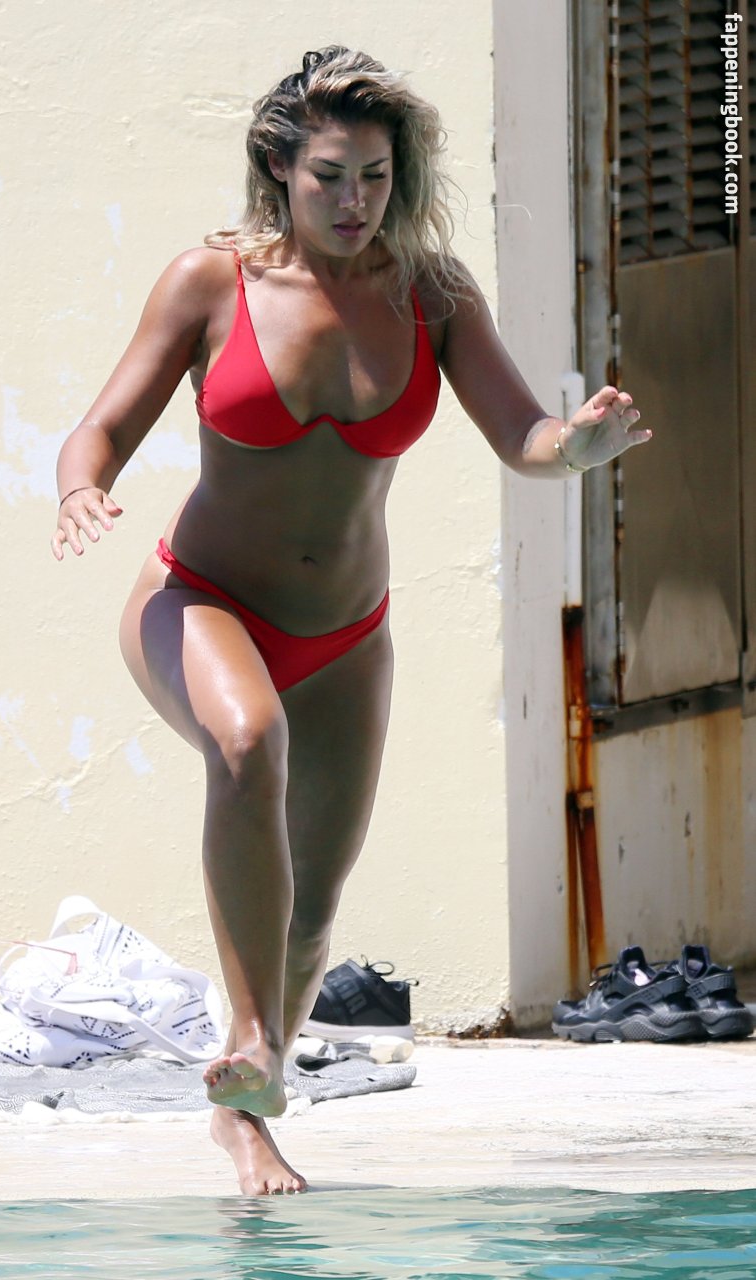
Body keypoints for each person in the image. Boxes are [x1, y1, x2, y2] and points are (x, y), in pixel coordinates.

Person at [51, 46, 650, 1195]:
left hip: (344, 635)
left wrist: (576, 446)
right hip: (200, 599)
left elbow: (523, 434)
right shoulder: (209, 282)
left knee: (314, 907)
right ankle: (247, 1033)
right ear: (280, 168)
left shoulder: (432, 293)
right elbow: (102, 427)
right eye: (329, 175)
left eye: (374, 176)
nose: (353, 199)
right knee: (245, 740)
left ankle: (246, 1110)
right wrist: (82, 485)